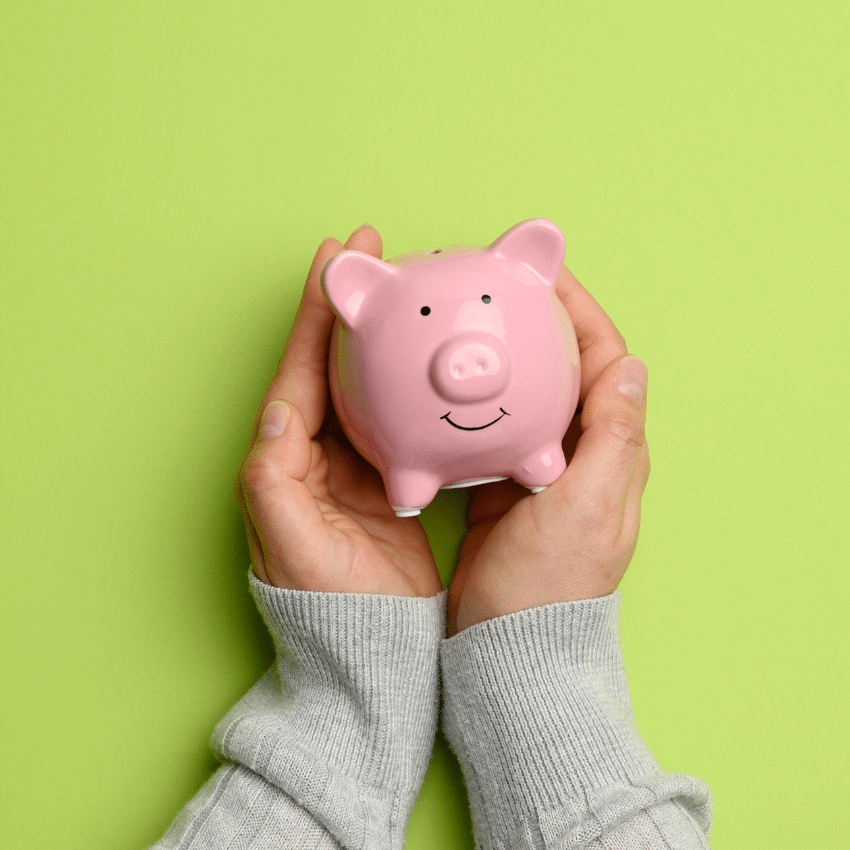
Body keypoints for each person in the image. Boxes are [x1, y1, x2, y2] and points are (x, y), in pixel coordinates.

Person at [151, 225, 712, 849]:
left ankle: (514, 459)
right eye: (421, 318)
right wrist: (538, 673)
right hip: (409, 466)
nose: (465, 366)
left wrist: (347, 692)